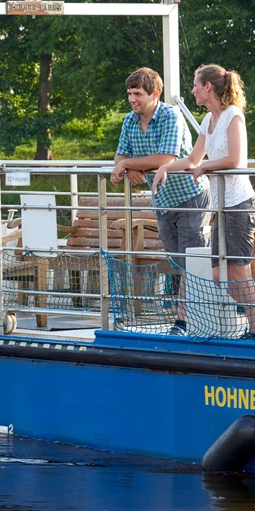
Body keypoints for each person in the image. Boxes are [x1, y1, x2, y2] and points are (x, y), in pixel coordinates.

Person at [153, 64, 255, 340]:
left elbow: (235, 159)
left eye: (196, 84)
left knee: (236, 271)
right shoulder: (208, 121)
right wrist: (166, 168)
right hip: (221, 208)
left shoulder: (234, 116)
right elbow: (192, 160)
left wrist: (206, 168)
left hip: (239, 205)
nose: (193, 90)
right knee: (219, 272)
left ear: (208, 87)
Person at [111, 67, 209, 336]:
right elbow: (119, 156)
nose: (132, 100)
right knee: (178, 261)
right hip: (163, 200)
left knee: (191, 261)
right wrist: (127, 166)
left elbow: (166, 158)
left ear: (154, 94)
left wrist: (130, 164)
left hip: (190, 194)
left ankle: (184, 322)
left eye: (138, 94)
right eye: (130, 94)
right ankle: (192, 316)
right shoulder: (130, 121)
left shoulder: (170, 115)